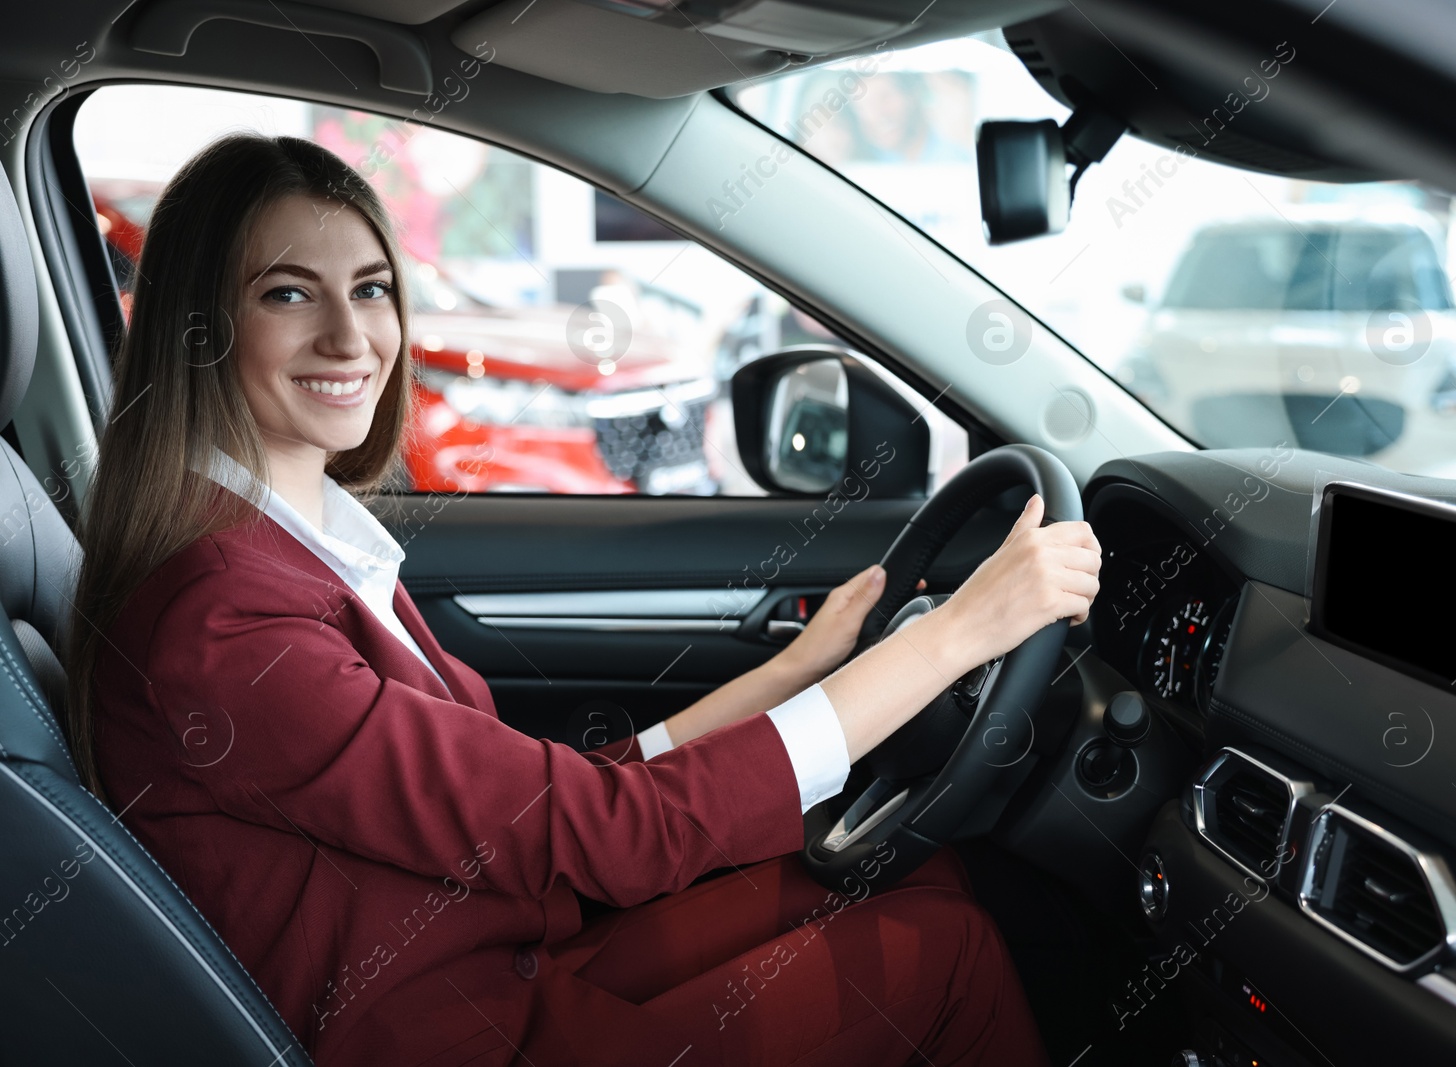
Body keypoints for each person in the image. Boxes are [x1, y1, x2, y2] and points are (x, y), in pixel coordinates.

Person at [62, 134, 1103, 1066]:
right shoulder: (225, 619)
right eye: (289, 293)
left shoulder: (301, 549)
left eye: (372, 288)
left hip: (504, 958)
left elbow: (540, 801)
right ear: (199, 326)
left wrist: (797, 668)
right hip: (466, 1029)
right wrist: (960, 632)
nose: (350, 336)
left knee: (913, 881)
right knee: (947, 953)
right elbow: (601, 829)